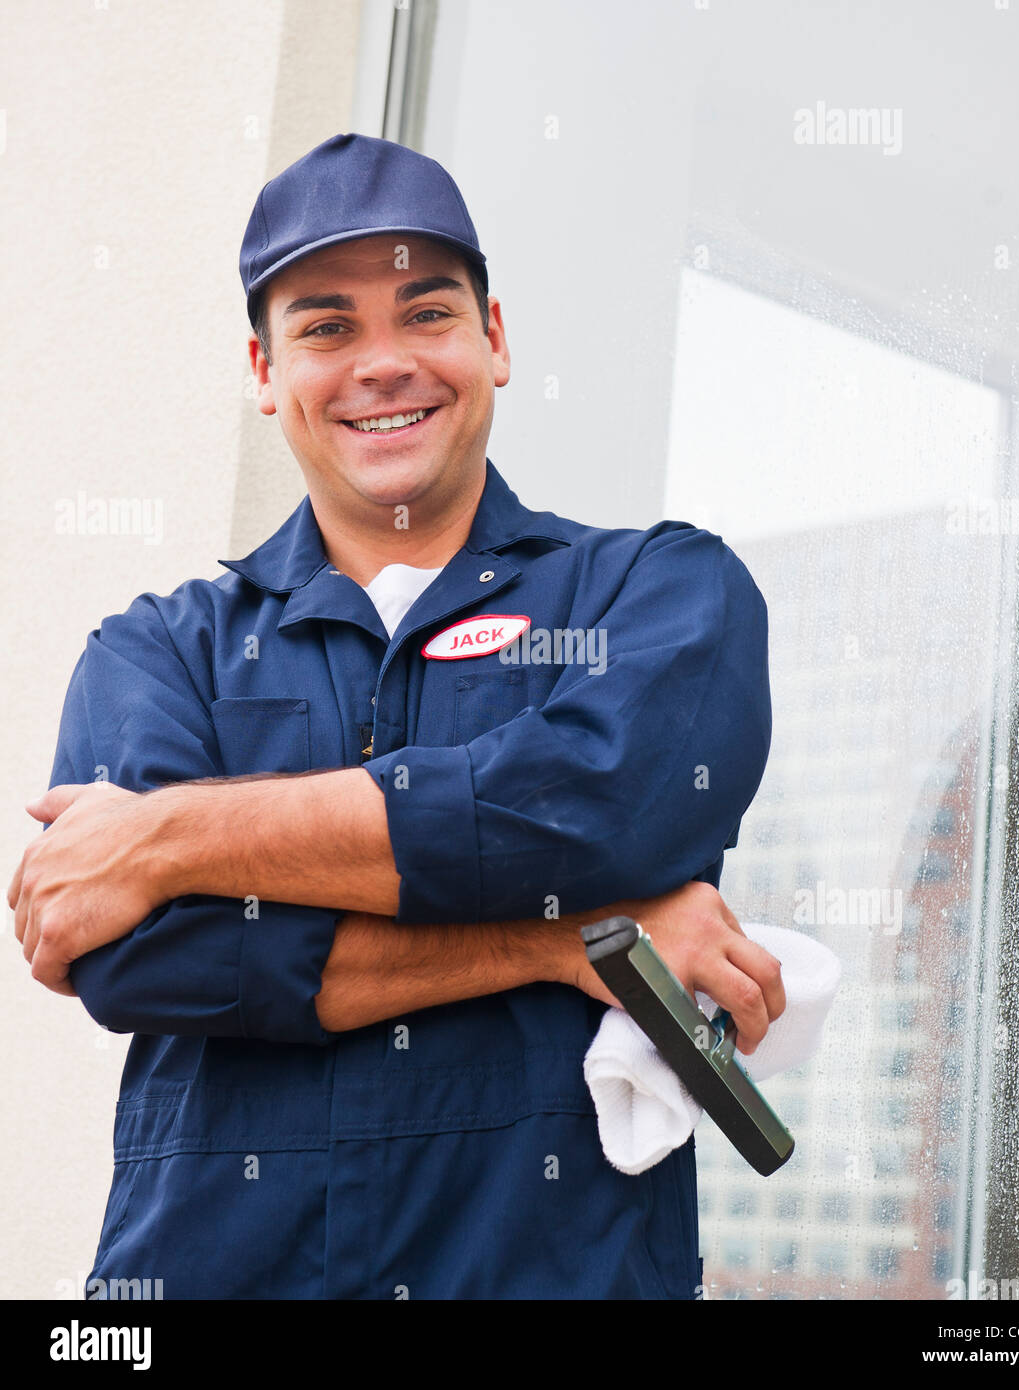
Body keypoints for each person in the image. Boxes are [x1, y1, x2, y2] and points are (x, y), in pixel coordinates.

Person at [9, 133, 780, 1299]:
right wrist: (551, 942)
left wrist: (164, 838)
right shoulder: (159, 649)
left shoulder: (659, 594)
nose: (384, 364)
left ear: (495, 341)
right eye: (326, 327)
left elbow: (595, 808)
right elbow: (139, 957)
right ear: (266, 373)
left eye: (426, 313)